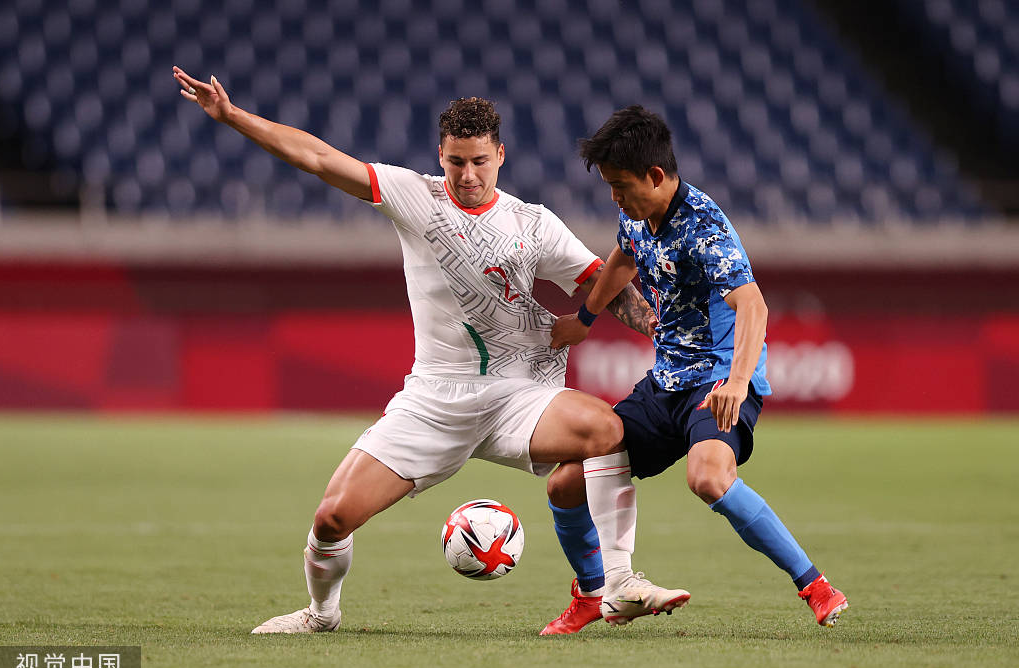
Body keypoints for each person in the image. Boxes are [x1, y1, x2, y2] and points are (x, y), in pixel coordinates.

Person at [172, 67, 687, 635]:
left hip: (520, 393)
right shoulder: (414, 196)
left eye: (479, 161)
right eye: (455, 162)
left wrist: (662, 329)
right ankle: (321, 614)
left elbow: (605, 286)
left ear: (501, 156)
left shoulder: (533, 224)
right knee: (332, 518)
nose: (467, 175)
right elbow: (317, 158)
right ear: (440, 156)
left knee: (606, 430)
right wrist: (233, 116)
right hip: (434, 400)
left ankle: (615, 584)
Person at [551, 105, 849, 628]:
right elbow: (622, 258)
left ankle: (816, 586)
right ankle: (594, 595)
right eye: (610, 187)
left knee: (708, 477)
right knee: (566, 483)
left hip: (716, 382)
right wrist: (585, 318)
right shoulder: (637, 215)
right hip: (665, 383)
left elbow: (753, 305)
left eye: (620, 186)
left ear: (656, 175)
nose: (615, 197)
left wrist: (737, 382)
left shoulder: (704, 226)